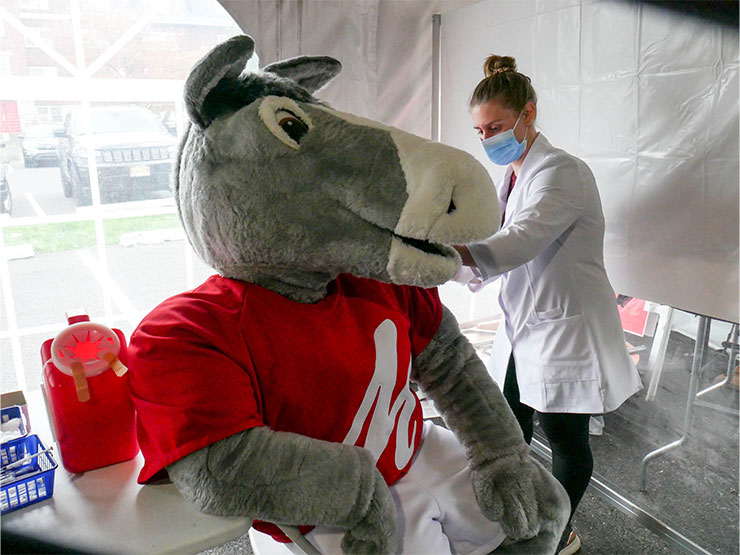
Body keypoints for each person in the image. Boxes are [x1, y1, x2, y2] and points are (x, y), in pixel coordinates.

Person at [454, 54, 643, 555]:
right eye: (479, 130)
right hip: (526, 328)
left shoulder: (563, 172)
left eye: (494, 126)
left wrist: (443, 258)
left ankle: (559, 532)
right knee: (509, 426)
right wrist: (440, 260)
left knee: (564, 438)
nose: (487, 137)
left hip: (567, 328)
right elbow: (486, 238)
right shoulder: (513, 176)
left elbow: (518, 241)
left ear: (528, 114)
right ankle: (518, 516)